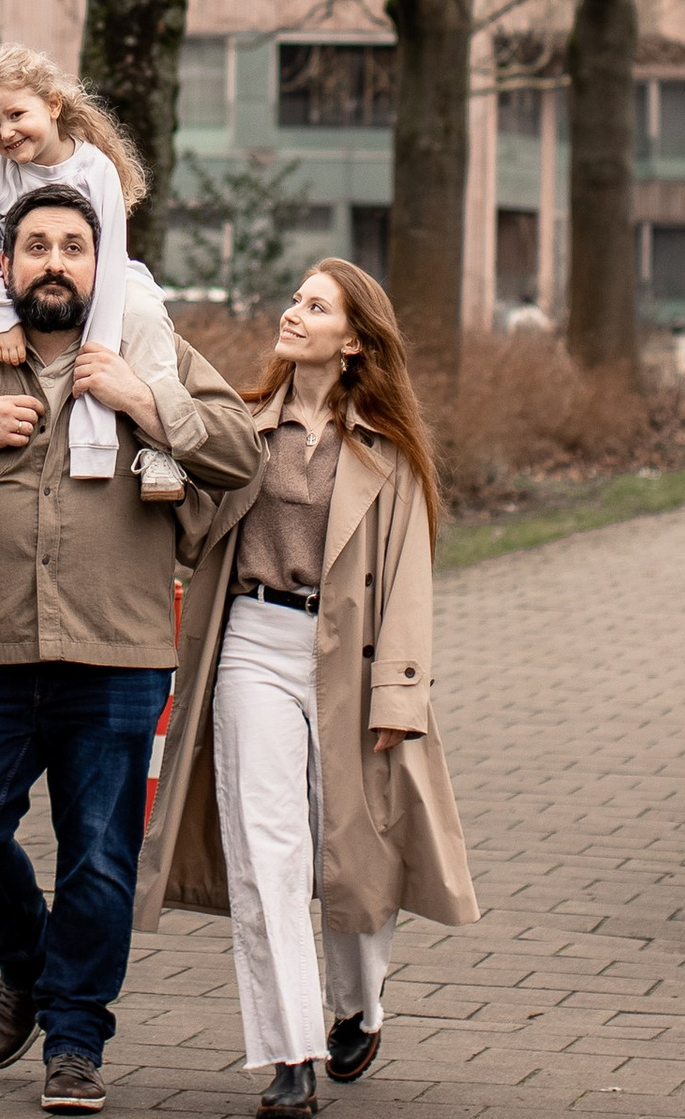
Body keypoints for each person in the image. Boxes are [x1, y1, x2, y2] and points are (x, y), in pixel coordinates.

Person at [0, 184, 262, 1116]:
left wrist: (143, 400)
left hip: (118, 653)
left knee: (100, 857)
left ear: (102, 265)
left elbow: (241, 453)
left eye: (75, 245)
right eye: (37, 246)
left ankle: (75, 1041)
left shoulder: (147, 345)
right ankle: (27, 962)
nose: (56, 262)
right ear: (6, 265)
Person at [135, 260, 479, 1118]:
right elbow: (193, 539)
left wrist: (400, 695)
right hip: (251, 643)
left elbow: (408, 579)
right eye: (295, 300)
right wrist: (166, 466)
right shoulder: (244, 427)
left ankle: (356, 1004)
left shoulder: (389, 449)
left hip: (348, 661)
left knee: (353, 847)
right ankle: (290, 1054)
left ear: (353, 340)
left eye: (315, 306)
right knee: (269, 855)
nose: (293, 313)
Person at [0, 44, 188, 525]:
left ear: (54, 105)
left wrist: (99, 345)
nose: (5, 132)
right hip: (10, 286)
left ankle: (159, 444)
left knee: (146, 312)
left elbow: (108, 258)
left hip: (95, 278)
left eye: (16, 115)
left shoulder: (95, 170)